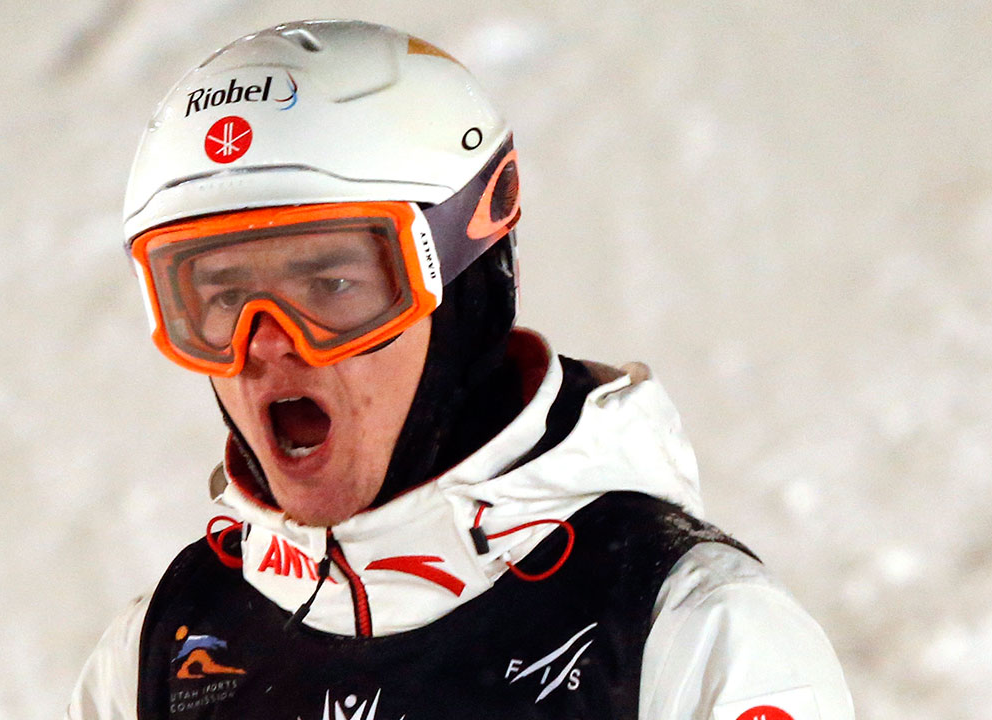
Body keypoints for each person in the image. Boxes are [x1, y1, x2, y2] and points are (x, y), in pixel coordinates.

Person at [68, 19, 855, 720]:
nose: (270, 343)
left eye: (333, 288)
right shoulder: (155, 658)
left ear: (463, 292)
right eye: (223, 296)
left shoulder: (690, 629)